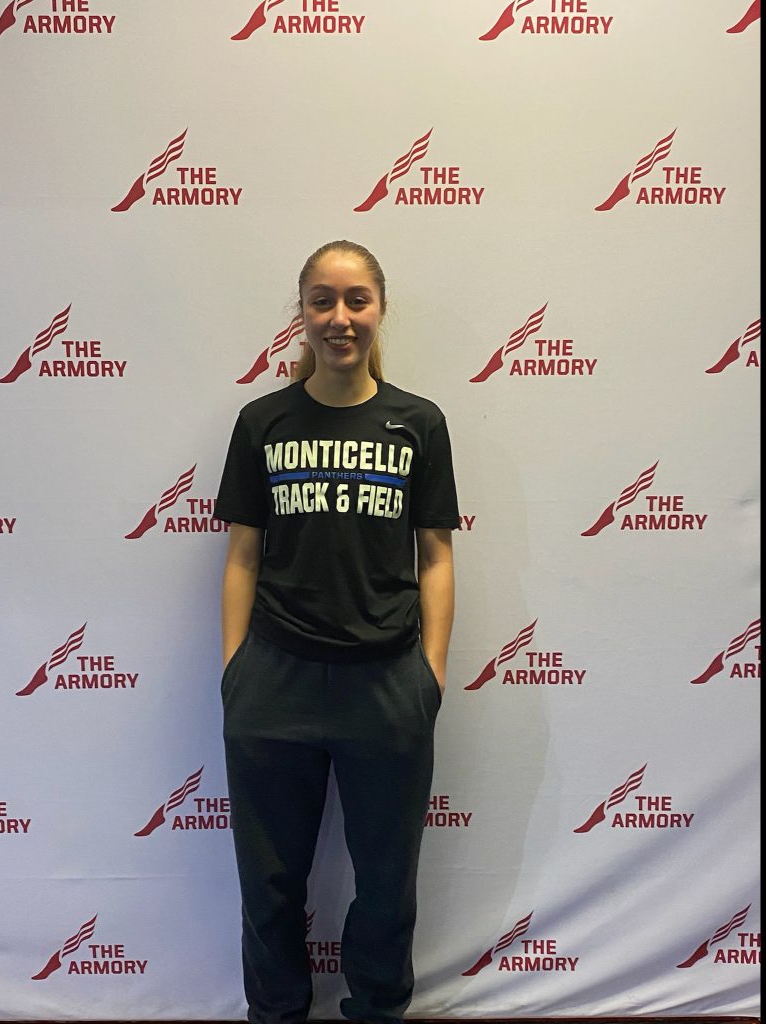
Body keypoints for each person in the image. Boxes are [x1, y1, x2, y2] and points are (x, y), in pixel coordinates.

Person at [214, 240, 459, 1024]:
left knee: (387, 882)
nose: (339, 317)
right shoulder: (263, 423)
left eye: (355, 300)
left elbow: (437, 555)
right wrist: (235, 673)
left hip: (387, 685)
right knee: (269, 881)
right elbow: (243, 557)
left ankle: (378, 1011)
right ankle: (276, 1012)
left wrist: (430, 673)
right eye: (322, 300)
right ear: (303, 314)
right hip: (274, 682)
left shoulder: (419, 423)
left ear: (379, 309)